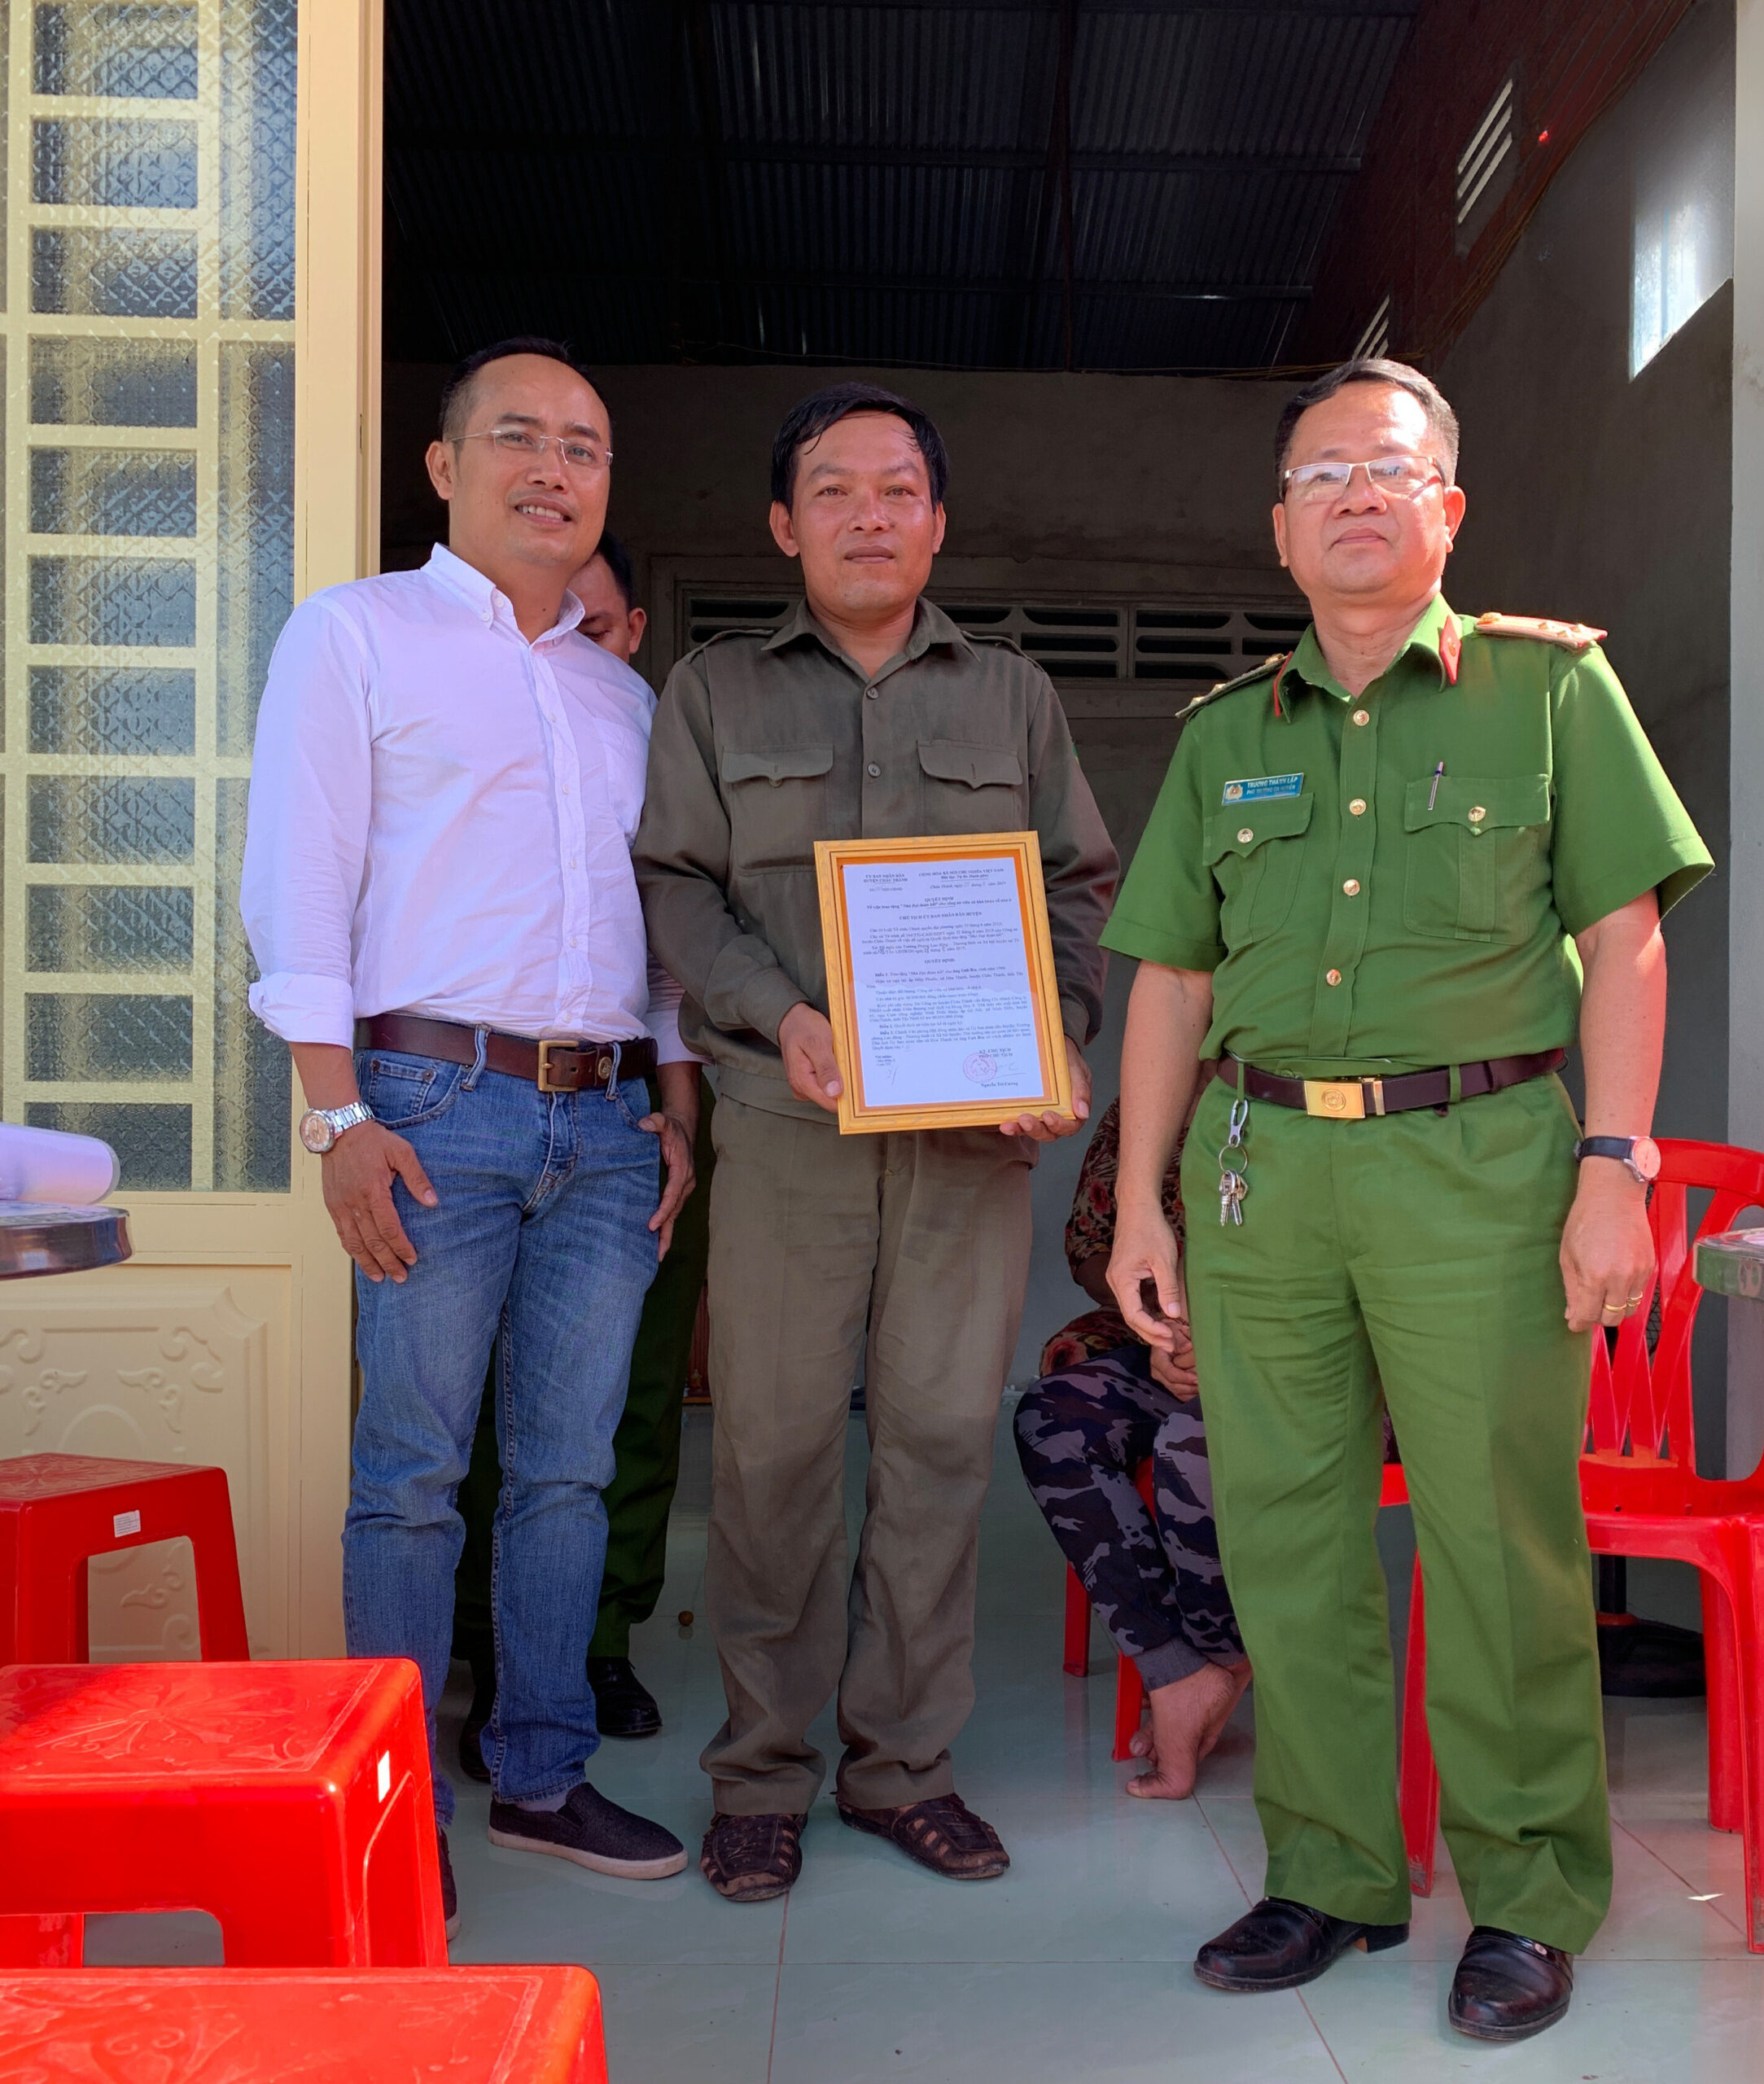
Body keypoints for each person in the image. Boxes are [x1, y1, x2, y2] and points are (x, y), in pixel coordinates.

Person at [1102, 357, 1711, 2042]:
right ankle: (1330, 1872)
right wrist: (1142, 1203)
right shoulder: (1224, 736)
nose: (1355, 497)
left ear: (1446, 508)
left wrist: (1614, 1167)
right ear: (1279, 530)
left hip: (1484, 1162)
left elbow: (1624, 940)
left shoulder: (1551, 692)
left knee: (1497, 1537)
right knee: (1285, 1534)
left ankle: (1523, 1895)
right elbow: (1169, 978)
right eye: (1321, 476)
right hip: (1264, 1173)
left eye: (1386, 469)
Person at [636, 382, 1119, 1902]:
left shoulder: (1013, 697)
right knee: (772, 1452)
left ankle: (904, 1765)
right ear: (784, 525)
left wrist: (1055, 1037)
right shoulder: (714, 691)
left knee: (936, 1445)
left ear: (937, 523)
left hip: (970, 1142)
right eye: (833, 490)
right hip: (788, 1129)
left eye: (897, 489)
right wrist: (776, 1013)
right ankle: (760, 1775)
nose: (868, 515)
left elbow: (1080, 887)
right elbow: (673, 886)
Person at [241, 338, 702, 1933]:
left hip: (609, 1122)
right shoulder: (356, 635)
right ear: (444, 467)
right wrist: (337, 1114)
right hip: (430, 1106)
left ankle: (540, 1771)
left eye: (584, 446)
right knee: (414, 1475)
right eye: (519, 436)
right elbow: (300, 877)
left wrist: (675, 1102)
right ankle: (390, 1813)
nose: (554, 469)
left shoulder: (622, 693)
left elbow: (656, 924)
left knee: (568, 1471)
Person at [452, 531, 717, 1770]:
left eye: (597, 626)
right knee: (481, 1405)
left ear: (634, 632)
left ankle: (602, 1636)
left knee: (636, 1392)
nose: (573, 643)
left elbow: (675, 955)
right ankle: (488, 1649)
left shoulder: (658, 737)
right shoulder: (467, 727)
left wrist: (683, 1118)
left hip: (641, 1105)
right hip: (477, 1098)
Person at [1013, 1094, 1250, 1800]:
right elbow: (1092, 1246)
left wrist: (1225, 1333)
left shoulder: (1310, 1085)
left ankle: (1224, 1658)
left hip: (1303, 1354)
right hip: (1170, 1338)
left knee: (1190, 1444)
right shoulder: (1155, 1099)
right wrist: (1161, 1319)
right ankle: (1175, 1669)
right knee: (1054, 1418)